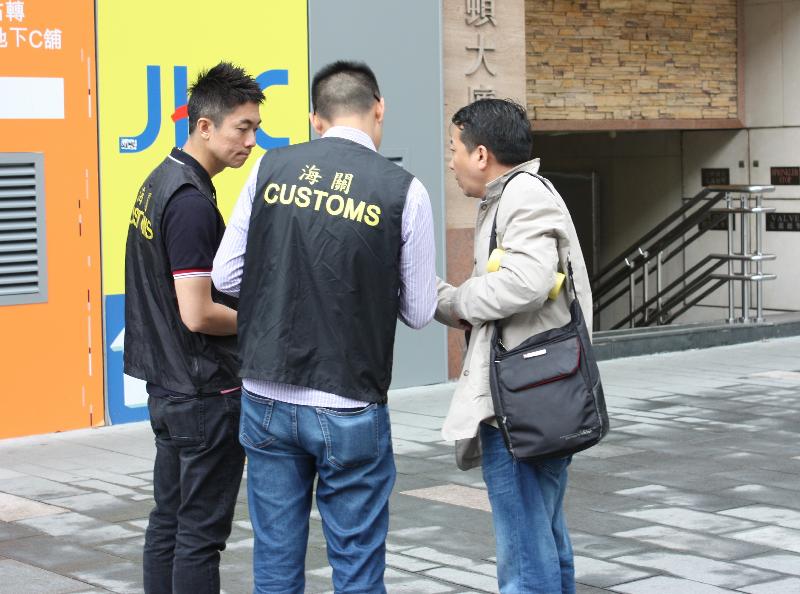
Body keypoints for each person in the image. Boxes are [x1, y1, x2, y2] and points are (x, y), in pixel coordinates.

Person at [212, 60, 437, 593]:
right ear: (379, 109)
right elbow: (420, 310)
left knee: (275, 559)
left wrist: (279, 293)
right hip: (349, 400)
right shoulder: (404, 191)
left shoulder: (270, 168)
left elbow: (225, 274)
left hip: (266, 393)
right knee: (356, 565)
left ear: (316, 119)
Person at [435, 98, 592, 594]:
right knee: (542, 535)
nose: (451, 161)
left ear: (481, 154)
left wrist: (456, 299)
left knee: (525, 552)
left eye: (454, 148)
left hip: (522, 403)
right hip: (538, 395)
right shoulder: (513, 195)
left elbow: (527, 281)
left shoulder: (523, 195)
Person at [124, 62, 264, 594]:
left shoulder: (160, 180)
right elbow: (198, 313)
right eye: (241, 128)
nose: (250, 142)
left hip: (170, 385)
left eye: (255, 129)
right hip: (202, 391)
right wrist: (262, 324)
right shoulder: (189, 201)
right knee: (200, 535)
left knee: (170, 520)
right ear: (204, 126)